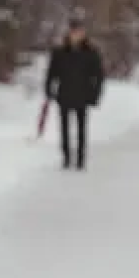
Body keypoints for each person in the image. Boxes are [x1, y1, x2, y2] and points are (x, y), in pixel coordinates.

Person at [45, 19, 105, 169]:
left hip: (82, 95)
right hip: (64, 93)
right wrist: (49, 90)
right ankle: (66, 156)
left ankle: (80, 158)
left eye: (79, 32)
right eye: (74, 32)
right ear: (69, 33)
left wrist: (95, 95)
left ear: (83, 34)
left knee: (81, 128)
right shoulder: (60, 52)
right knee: (64, 127)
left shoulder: (91, 52)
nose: (76, 35)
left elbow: (98, 76)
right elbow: (52, 73)